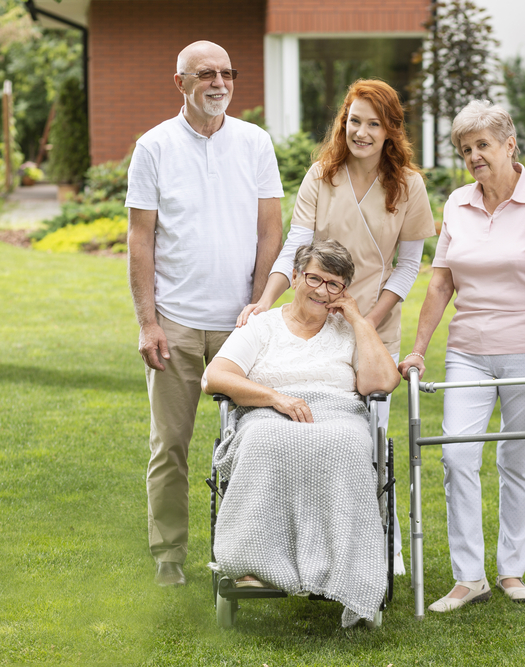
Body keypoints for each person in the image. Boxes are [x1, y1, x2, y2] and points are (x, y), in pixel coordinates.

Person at [238, 79, 436, 573]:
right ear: (342, 123)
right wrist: (264, 301)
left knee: (371, 443)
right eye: (354, 121)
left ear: (391, 130)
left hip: (374, 324)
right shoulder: (321, 176)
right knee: (316, 433)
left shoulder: (409, 185)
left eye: (374, 123)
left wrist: (365, 323)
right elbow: (295, 248)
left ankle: (382, 553)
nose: (362, 132)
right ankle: (302, 547)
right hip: (316, 319)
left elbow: (409, 267)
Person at [397, 100, 525, 613]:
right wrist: (417, 349)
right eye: (465, 149)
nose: (474, 156)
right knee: (457, 455)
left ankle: (511, 570)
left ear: (509, 144)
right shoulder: (457, 202)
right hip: (469, 352)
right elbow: (440, 283)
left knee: (517, 460)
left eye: (482, 145)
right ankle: (468, 576)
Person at [125, 40, 284, 587]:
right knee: (170, 445)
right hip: (176, 324)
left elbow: (271, 230)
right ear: (181, 82)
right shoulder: (153, 147)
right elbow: (140, 239)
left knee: (252, 443)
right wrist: (148, 322)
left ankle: (243, 556)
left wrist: (261, 306)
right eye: (206, 74)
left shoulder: (255, 143)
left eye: (227, 73)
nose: (219, 82)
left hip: (241, 324)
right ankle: (169, 556)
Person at [202, 240, 402, 627]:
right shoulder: (262, 327)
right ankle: (252, 565)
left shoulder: (349, 331)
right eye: (314, 278)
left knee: (346, 444)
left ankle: (349, 571)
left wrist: (360, 321)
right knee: (264, 441)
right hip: (267, 415)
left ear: (345, 292)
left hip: (338, 415)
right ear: (295, 277)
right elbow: (216, 377)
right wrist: (274, 398)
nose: (321, 290)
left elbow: (382, 382)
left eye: (334, 284)